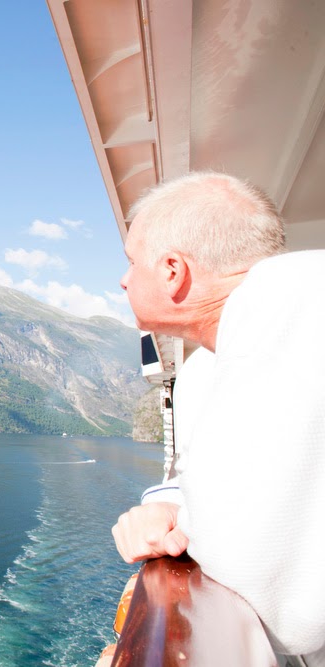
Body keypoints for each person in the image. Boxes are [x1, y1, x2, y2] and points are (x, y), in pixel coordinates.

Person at [111, 171, 325, 665]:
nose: (123, 279)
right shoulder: (211, 360)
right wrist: (166, 504)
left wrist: (179, 525)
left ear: (172, 270)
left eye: (130, 261)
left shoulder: (280, 328)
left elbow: (281, 592)